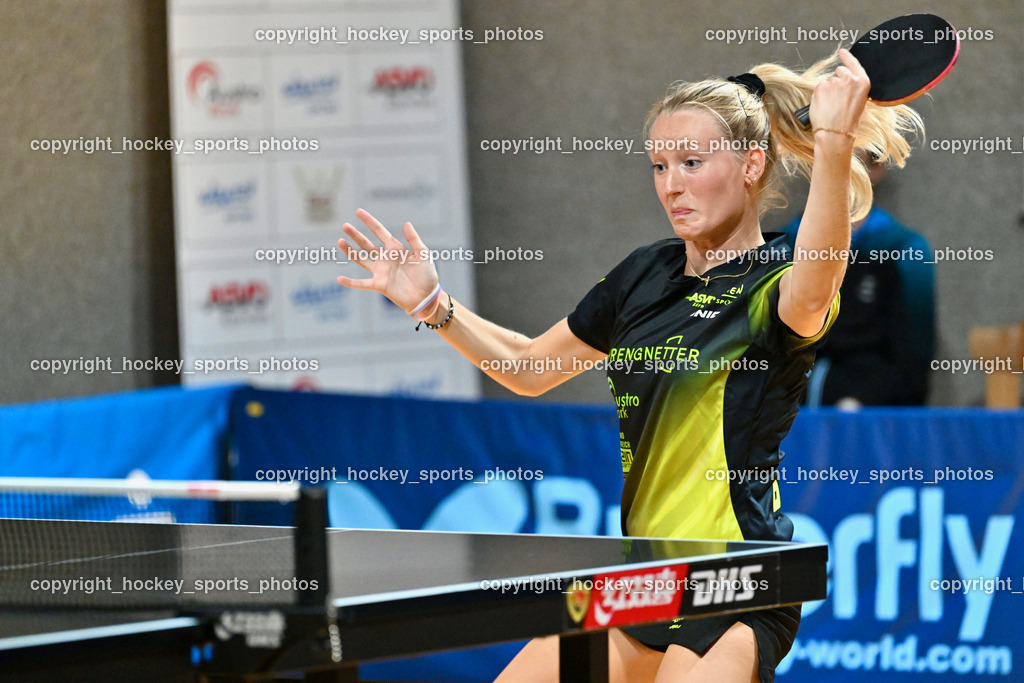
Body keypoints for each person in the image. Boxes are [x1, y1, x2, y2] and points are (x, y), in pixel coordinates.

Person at [336, 48, 922, 683]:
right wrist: (432, 303)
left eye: (692, 163)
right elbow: (530, 368)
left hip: (739, 579)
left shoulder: (777, 281)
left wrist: (834, 142)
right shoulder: (643, 274)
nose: (671, 185)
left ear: (752, 164)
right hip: (645, 581)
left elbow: (816, 283)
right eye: (660, 165)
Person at [780, 149, 935, 407]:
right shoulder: (782, 246)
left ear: (877, 167)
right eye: (822, 157)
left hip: (868, 414)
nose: (836, 173)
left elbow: (913, 363)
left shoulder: (902, 248)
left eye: (853, 159)